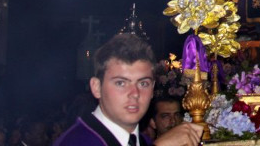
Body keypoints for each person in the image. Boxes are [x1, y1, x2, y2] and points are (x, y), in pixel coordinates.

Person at [54, 33, 203, 146]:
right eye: (121, 83)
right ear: (96, 87)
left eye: (143, 83)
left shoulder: (142, 140)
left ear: (152, 89)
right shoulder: (76, 140)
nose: (135, 94)